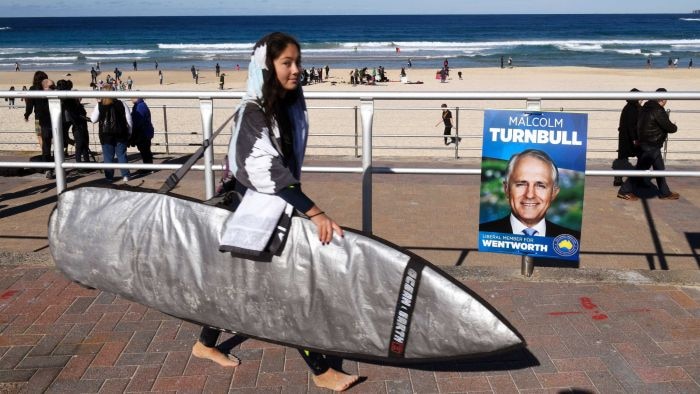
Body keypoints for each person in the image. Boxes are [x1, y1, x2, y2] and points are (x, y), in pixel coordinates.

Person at [191, 32, 360, 393]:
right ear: (267, 66)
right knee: (286, 287)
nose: (297, 69)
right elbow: (268, 171)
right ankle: (320, 370)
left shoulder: (285, 103)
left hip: (273, 204)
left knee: (235, 284)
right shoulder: (253, 112)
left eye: (298, 61)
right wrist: (316, 213)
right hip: (252, 208)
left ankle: (204, 344)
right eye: (287, 62)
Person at [479, 149, 581, 238]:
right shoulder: (484, 235)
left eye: (540, 185)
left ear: (554, 193)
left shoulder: (572, 240)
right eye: (521, 184)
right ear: (506, 189)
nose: (530, 195)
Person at [617, 88, 679, 201]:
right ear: (663, 99)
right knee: (641, 168)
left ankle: (665, 192)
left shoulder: (645, 107)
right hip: (652, 144)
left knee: (659, 168)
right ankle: (624, 191)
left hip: (646, 142)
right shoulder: (658, 110)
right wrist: (675, 126)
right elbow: (669, 127)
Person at [90, 84, 132, 182]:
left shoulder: (99, 105)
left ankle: (109, 177)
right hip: (120, 133)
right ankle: (125, 175)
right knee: (121, 155)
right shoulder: (121, 103)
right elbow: (129, 119)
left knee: (108, 157)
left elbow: (93, 119)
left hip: (105, 134)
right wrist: (130, 131)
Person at [56, 79, 91, 166]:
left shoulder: (72, 101)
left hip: (74, 123)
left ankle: (84, 162)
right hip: (75, 124)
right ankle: (80, 162)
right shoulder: (70, 100)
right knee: (78, 144)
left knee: (81, 144)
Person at [613, 88, 642, 186]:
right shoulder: (632, 108)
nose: (642, 100)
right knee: (641, 156)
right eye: (640, 98)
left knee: (622, 158)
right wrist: (634, 139)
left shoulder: (630, 107)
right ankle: (639, 179)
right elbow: (631, 125)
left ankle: (618, 179)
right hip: (629, 138)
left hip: (625, 137)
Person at [24, 71, 51, 174]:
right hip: (49, 117)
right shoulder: (47, 88)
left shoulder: (32, 89)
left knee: (40, 137)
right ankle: (47, 156)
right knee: (48, 139)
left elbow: (29, 105)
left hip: (38, 118)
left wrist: (26, 115)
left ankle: (45, 157)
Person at [130, 97, 154, 172]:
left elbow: (138, 121)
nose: (131, 99)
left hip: (143, 132)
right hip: (146, 131)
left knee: (145, 150)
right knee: (146, 150)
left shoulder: (140, 106)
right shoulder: (141, 105)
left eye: (132, 97)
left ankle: (148, 168)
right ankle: (148, 167)